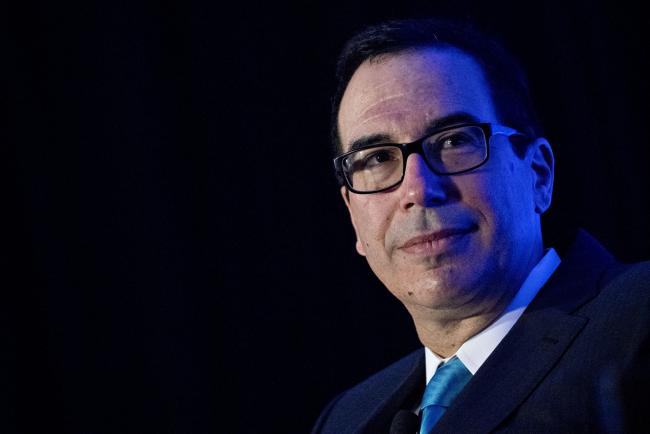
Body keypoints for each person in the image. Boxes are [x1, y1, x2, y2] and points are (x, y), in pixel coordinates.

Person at [311, 18, 650, 434]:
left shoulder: (639, 320)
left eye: (454, 141)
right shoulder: (344, 419)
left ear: (538, 174)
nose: (418, 189)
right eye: (377, 159)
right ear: (352, 216)